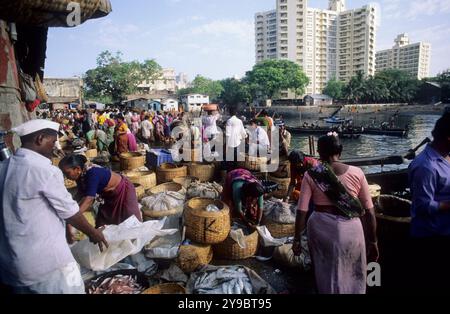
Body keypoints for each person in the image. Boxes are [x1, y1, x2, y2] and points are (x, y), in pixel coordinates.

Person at [0, 120, 107, 294]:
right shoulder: (44, 170)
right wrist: (93, 232)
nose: (54, 147)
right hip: (46, 265)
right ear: (40, 139)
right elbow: (70, 212)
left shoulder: (4, 167)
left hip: (12, 265)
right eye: (52, 141)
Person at [294, 134, 378, 294]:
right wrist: (373, 241)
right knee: (354, 271)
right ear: (340, 150)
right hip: (352, 230)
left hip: (321, 229)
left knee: (325, 270)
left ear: (319, 152)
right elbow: (370, 212)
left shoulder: (311, 174)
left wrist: (297, 239)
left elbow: (301, 211)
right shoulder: (358, 172)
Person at [408, 112, 450, 291]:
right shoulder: (426, 166)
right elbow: (424, 206)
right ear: (448, 138)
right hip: (432, 238)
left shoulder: (446, 157)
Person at [59, 155, 142, 234]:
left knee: (131, 220)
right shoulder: (80, 176)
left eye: (67, 173)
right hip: (108, 196)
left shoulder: (92, 173)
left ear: (77, 169)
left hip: (123, 192)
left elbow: (89, 199)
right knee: (102, 222)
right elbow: (80, 194)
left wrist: (74, 218)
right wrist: (68, 208)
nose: (66, 177)